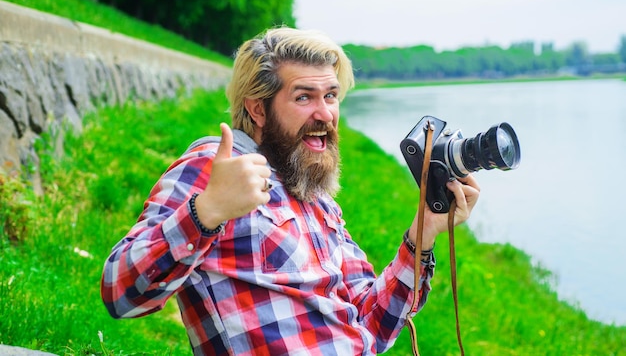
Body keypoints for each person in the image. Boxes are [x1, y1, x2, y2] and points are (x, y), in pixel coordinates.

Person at [100, 26, 480, 355]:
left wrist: (423, 232)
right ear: (258, 109)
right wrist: (207, 211)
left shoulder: (316, 196)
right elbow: (120, 291)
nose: (325, 113)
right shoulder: (218, 169)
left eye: (330, 96)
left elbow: (370, 323)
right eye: (304, 97)